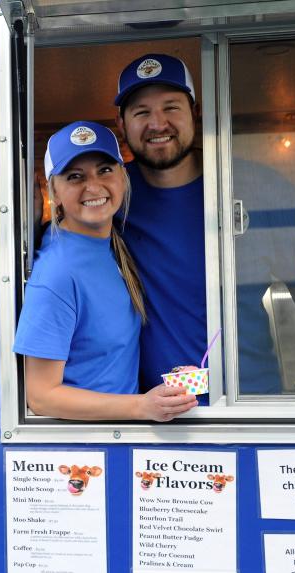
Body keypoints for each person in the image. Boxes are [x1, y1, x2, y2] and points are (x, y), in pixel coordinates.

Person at [112, 53, 295, 396]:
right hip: (150, 412)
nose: (158, 123)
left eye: (171, 107)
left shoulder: (256, 186)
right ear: (121, 125)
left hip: (250, 402)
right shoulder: (112, 198)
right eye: (141, 112)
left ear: (195, 112)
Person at [13, 120, 197, 421]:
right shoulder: (57, 273)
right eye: (75, 176)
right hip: (85, 450)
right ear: (54, 193)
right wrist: (141, 406)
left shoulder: (113, 246)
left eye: (105, 170)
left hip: (119, 440)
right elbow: (42, 396)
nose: (94, 186)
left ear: (123, 178)